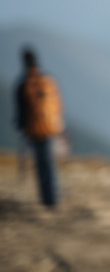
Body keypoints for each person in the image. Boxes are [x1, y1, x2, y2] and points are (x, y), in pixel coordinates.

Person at [14, 46, 64, 207]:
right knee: (50, 164)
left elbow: (21, 111)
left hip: (34, 130)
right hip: (51, 127)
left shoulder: (24, 84)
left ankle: (47, 200)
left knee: (42, 165)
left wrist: (22, 127)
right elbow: (57, 105)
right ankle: (54, 198)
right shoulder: (48, 80)